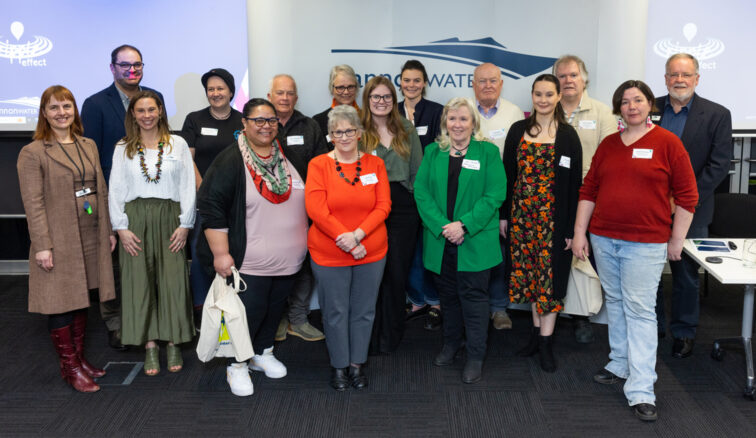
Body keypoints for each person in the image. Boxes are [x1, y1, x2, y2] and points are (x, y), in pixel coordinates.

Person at [572, 80, 698, 422]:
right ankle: (621, 363)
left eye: (638, 100)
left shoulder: (667, 143)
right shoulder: (609, 144)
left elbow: (688, 196)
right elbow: (589, 189)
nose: (631, 106)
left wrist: (676, 240)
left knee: (641, 310)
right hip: (604, 238)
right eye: (625, 101)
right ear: (618, 108)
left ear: (649, 105)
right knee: (615, 302)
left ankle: (642, 388)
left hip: (646, 242)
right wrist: (580, 233)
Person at [197, 98, 308, 397]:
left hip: (289, 259)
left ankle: (262, 351)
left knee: (274, 310)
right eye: (258, 120)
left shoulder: (288, 156)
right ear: (244, 123)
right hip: (249, 262)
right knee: (248, 313)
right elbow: (211, 207)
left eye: (270, 120)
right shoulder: (230, 160)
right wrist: (221, 254)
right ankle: (237, 365)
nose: (265, 125)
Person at [17, 85, 116, 393]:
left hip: (89, 232)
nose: (62, 113)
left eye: (67, 106)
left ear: (75, 110)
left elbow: (99, 188)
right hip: (58, 236)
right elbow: (32, 203)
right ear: (44, 113)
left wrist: (109, 229)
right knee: (61, 301)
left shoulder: (87, 144)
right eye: (54, 107)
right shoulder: (33, 152)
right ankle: (70, 367)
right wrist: (42, 245)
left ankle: (80, 358)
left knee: (81, 296)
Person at [414, 97, 507, 384]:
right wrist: (444, 226)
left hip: (475, 241)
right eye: (452, 119)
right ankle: (451, 344)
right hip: (442, 240)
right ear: (444, 124)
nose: (457, 124)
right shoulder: (432, 152)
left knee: (475, 300)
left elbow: (495, 194)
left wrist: (463, 225)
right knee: (449, 298)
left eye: (463, 119)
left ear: (473, 123)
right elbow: (421, 192)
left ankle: (476, 355)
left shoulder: (488, 153)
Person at [81, 44, 164, 350]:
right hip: (111, 194)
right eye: (125, 65)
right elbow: (90, 158)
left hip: (152, 193)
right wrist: (96, 205)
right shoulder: (95, 104)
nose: (132, 71)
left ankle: (150, 320)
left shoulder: (154, 98)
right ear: (112, 68)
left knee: (147, 260)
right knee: (113, 264)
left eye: (138, 65)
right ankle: (116, 323)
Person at [109, 90, 196, 376]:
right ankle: (148, 345)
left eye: (151, 109)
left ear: (160, 111)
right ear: (132, 114)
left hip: (170, 216)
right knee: (138, 281)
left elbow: (186, 187)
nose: (146, 115)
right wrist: (120, 227)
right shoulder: (123, 147)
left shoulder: (178, 144)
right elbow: (116, 190)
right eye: (140, 110)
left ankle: (172, 342)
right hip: (135, 219)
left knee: (172, 280)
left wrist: (185, 224)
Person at [306, 105, 391, 391]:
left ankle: (357, 365)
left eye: (349, 131)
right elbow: (316, 210)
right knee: (335, 311)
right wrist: (346, 239)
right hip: (330, 251)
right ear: (330, 135)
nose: (343, 136)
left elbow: (383, 206)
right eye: (337, 132)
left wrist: (357, 235)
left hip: (371, 249)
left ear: (360, 133)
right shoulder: (318, 165)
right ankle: (339, 366)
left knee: (364, 310)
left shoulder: (375, 165)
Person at [653, 53, 733, 358]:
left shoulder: (717, 114)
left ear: (697, 79)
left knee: (685, 273)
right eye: (673, 74)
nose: (679, 80)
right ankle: (655, 325)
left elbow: (718, 166)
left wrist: (683, 200)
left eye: (686, 75)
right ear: (665, 79)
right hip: (650, 208)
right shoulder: (649, 109)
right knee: (649, 271)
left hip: (693, 209)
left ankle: (683, 332)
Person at [501, 74, 582, 373]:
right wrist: (504, 216)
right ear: (532, 96)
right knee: (529, 280)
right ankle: (535, 338)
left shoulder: (568, 136)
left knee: (549, 283)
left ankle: (546, 344)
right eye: (538, 94)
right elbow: (508, 177)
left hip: (554, 223)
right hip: (522, 220)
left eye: (549, 94)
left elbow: (575, 186)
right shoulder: (517, 131)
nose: (543, 100)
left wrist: (573, 229)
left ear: (559, 96)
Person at [553, 54, 617, 344]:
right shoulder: (547, 110)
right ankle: (555, 309)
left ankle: (582, 317)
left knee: (585, 255)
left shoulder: (603, 113)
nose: (568, 80)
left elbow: (610, 156)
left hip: (590, 196)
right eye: (562, 76)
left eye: (573, 75)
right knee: (558, 254)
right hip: (553, 197)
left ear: (584, 78)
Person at [360, 75, 423, 355]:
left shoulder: (407, 129)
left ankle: (391, 335)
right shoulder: (358, 131)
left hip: (402, 210)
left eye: (387, 97)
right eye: (376, 97)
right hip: (367, 208)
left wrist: (409, 193)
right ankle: (369, 335)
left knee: (396, 273)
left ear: (393, 100)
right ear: (367, 100)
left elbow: (417, 171)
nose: (381, 102)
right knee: (371, 274)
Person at [267, 74, 329, 342]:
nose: (284, 98)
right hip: (267, 210)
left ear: (296, 97)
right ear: (270, 96)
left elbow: (322, 167)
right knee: (273, 264)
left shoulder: (310, 126)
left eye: (289, 93)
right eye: (279, 93)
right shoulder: (260, 124)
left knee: (304, 263)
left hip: (303, 209)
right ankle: (277, 318)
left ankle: (298, 319)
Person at [180, 68, 244, 316]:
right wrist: (205, 190)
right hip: (204, 200)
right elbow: (188, 159)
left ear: (230, 91)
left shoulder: (243, 121)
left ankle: (231, 309)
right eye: (211, 89)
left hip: (235, 199)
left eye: (220, 88)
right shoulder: (194, 120)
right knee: (200, 254)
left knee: (233, 253)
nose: (216, 93)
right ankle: (202, 310)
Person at [467, 62, 524, 330]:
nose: (487, 85)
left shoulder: (514, 113)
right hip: (468, 196)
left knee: (500, 255)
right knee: (470, 254)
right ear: (473, 84)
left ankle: (499, 307)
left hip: (501, 196)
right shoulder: (463, 110)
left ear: (501, 84)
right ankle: (472, 307)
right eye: (482, 81)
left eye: (493, 81)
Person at [397, 59, 444, 331]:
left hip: (430, 192)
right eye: (406, 80)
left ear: (424, 82)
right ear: (400, 82)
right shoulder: (392, 112)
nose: (411, 85)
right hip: (402, 193)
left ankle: (435, 302)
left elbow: (441, 149)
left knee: (431, 248)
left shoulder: (436, 111)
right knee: (410, 250)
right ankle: (416, 300)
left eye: (416, 80)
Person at [312, 64, 360, 145]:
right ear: (332, 89)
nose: (346, 92)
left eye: (350, 87)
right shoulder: (318, 122)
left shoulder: (367, 119)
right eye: (340, 87)